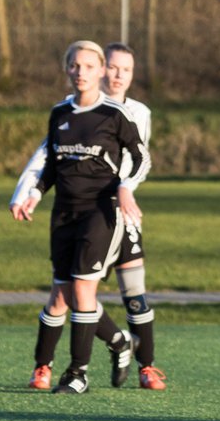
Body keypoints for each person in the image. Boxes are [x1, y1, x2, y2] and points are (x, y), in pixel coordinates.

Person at [9, 40, 149, 394]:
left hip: (100, 212)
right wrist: (34, 196)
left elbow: (141, 157)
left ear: (101, 70)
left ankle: (77, 373)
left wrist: (125, 186)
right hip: (64, 213)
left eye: (89, 66)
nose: (81, 72)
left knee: (84, 290)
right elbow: (52, 167)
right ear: (67, 69)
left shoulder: (114, 116)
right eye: (75, 66)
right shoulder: (60, 114)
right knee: (62, 292)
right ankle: (118, 342)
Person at [101, 42, 167, 390]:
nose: (118, 75)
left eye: (125, 70)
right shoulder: (83, 109)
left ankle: (147, 367)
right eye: (113, 67)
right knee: (74, 293)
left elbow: (141, 160)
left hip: (125, 214)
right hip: (91, 214)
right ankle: (109, 346)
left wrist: (126, 187)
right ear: (101, 69)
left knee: (135, 292)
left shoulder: (140, 111)